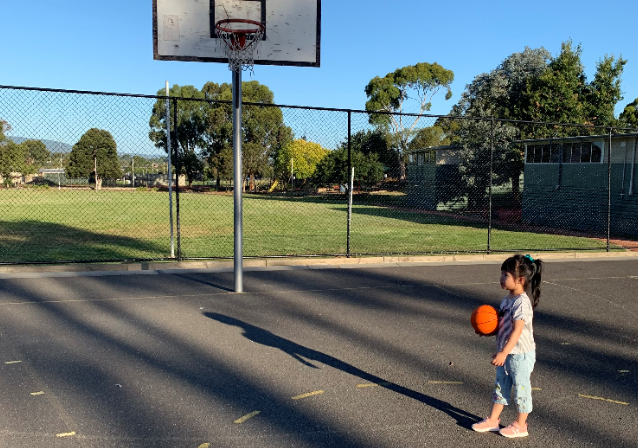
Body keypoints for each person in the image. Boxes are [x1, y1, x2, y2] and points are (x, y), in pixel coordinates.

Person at [472, 254, 542, 438]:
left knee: (521, 388)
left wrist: (503, 352)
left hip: (520, 354)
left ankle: (521, 425)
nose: (501, 278)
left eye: (506, 275)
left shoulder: (522, 303)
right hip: (507, 352)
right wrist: (488, 331)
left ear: (520, 280)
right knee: (501, 386)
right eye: (502, 273)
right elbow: (504, 326)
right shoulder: (507, 299)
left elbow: (517, 331)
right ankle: (493, 420)